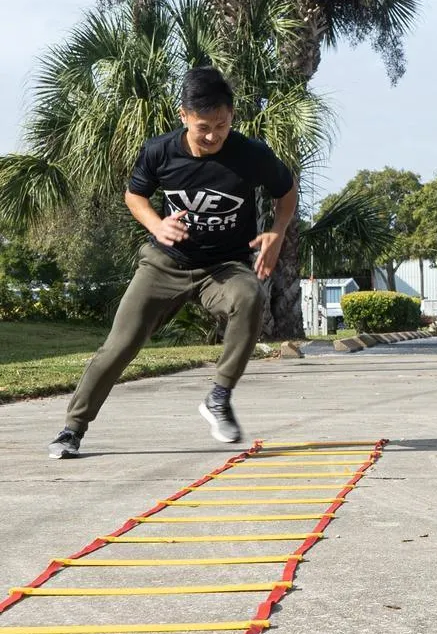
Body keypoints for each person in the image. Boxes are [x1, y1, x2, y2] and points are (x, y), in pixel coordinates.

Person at [48, 66, 298, 458]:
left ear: (232, 114)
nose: (214, 136)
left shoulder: (252, 154)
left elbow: (286, 191)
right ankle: (72, 428)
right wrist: (156, 224)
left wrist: (278, 233)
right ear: (183, 116)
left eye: (221, 124)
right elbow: (135, 196)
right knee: (120, 345)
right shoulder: (160, 151)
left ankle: (219, 396)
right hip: (165, 263)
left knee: (250, 295)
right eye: (203, 127)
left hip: (224, 266)